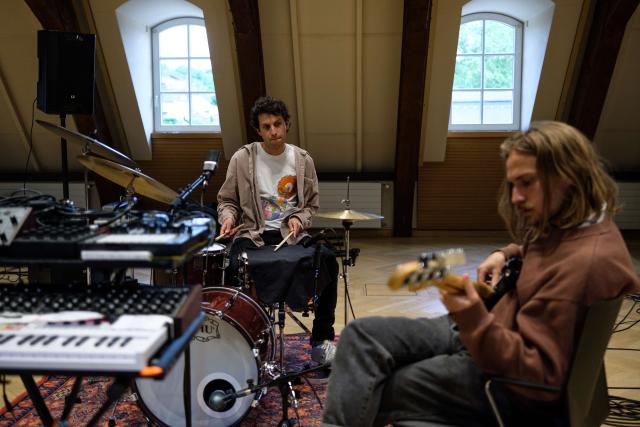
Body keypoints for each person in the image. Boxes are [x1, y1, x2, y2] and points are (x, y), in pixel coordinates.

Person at [321, 121, 640, 426]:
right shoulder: (575, 220)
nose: (515, 197)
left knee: (378, 385)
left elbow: (538, 379)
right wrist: (504, 254)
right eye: (512, 184)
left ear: (569, 175)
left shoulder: (585, 265)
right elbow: (536, 249)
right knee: (360, 335)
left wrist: (473, 317)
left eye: (526, 183)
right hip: (487, 329)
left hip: (503, 381)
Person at [217, 95, 338, 364]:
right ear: (258, 131)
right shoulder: (242, 158)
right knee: (235, 265)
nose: (273, 131)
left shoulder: (303, 160)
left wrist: (299, 219)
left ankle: (321, 341)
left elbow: (311, 206)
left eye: (278, 124)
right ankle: (244, 341)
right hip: (253, 234)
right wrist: (227, 218)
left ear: (287, 125)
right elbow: (227, 201)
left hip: (290, 236)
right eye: (267, 126)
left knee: (328, 261)